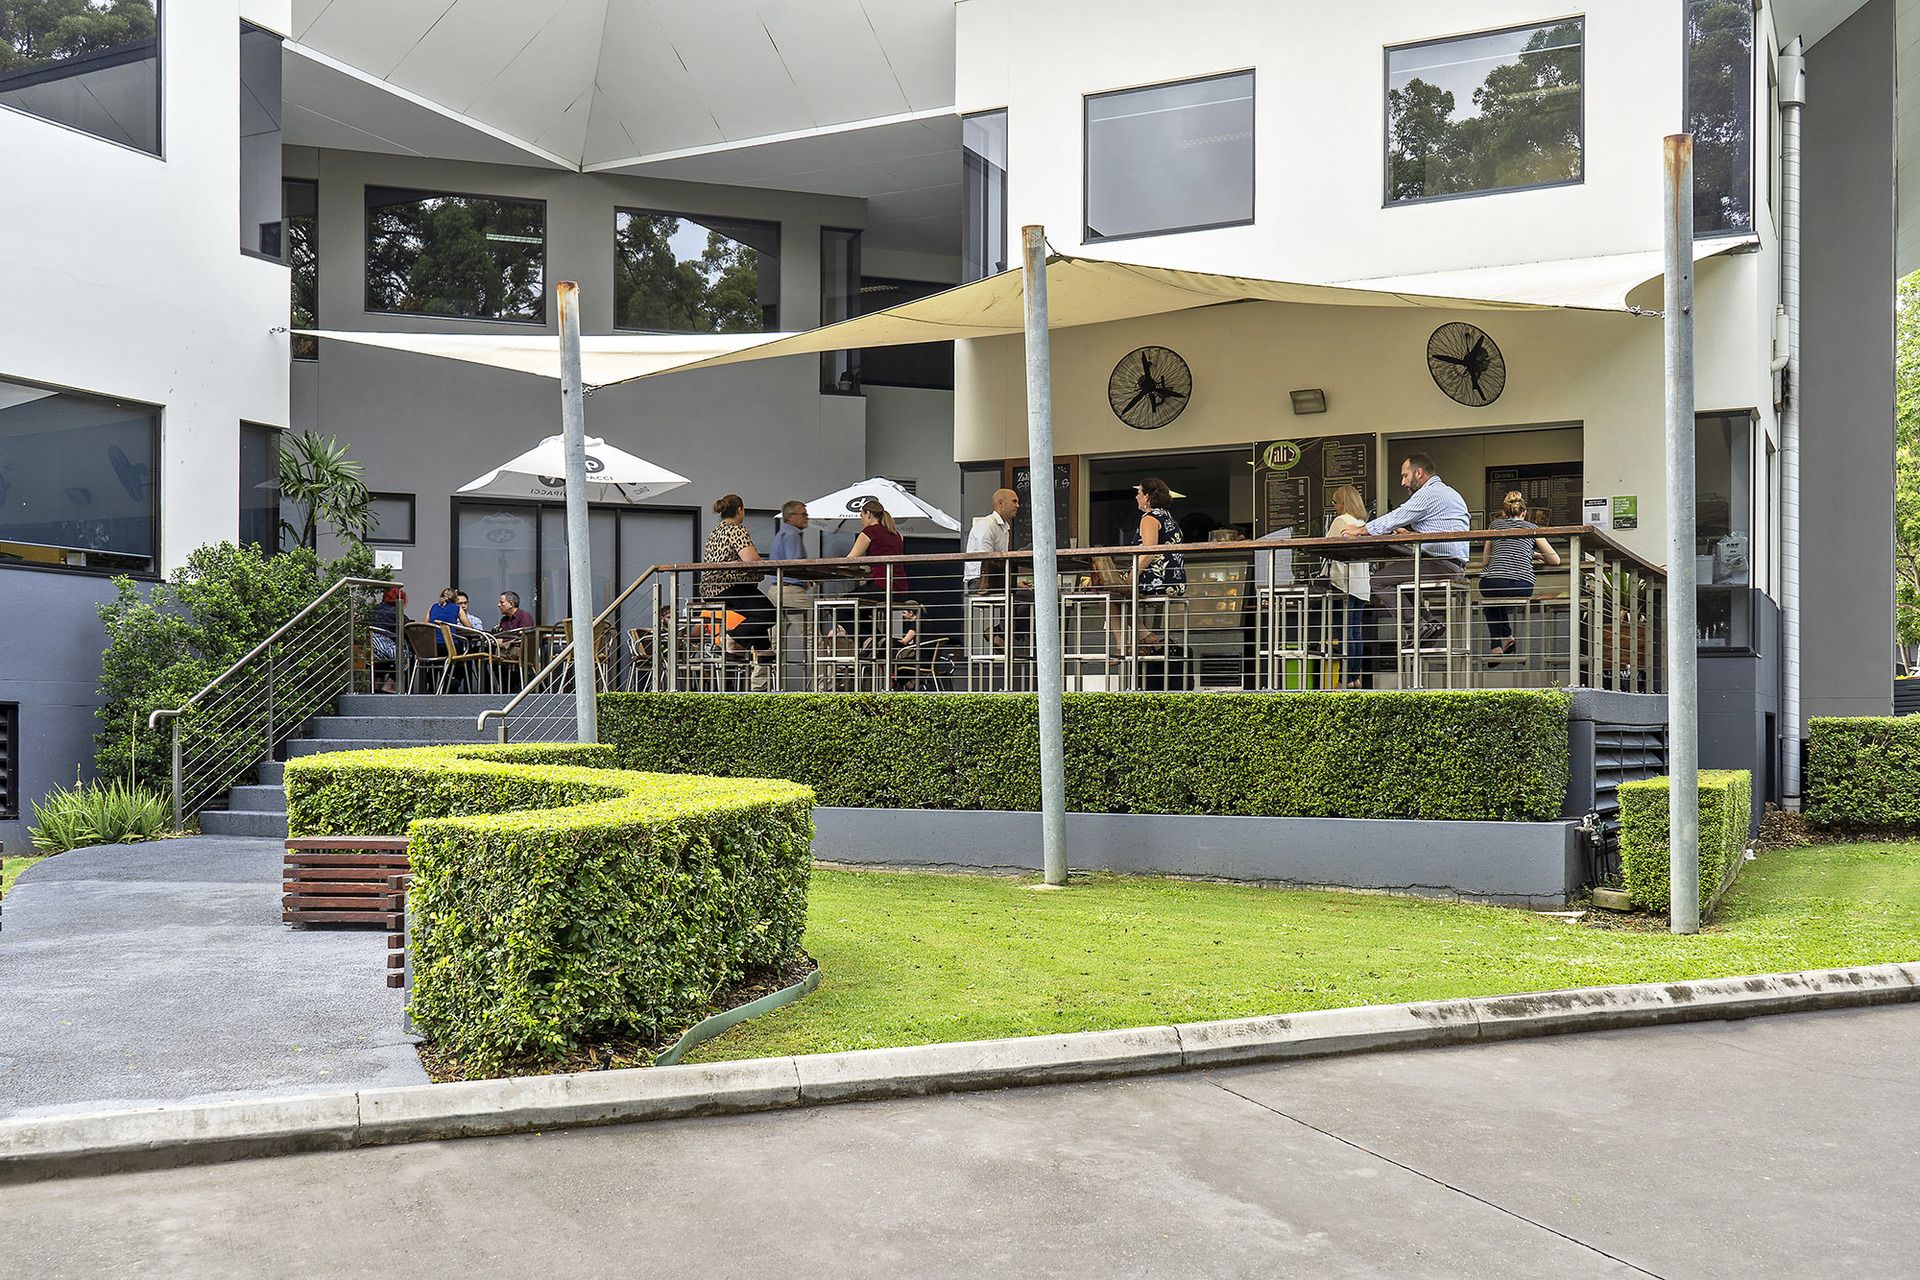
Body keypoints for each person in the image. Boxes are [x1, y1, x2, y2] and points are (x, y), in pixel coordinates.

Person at [1341, 453, 1469, 648]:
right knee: (1401, 580)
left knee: (1379, 581)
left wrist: (1359, 530)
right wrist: (1411, 533)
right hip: (1453, 563)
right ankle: (1429, 623)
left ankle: (1416, 627)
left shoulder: (1429, 493)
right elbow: (1438, 528)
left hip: (1440, 564)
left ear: (1419, 473)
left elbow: (1395, 517)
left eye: (1405, 476)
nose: (1402, 482)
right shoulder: (1449, 492)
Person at [1480, 490, 1562, 659]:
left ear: (1504, 513)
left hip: (1493, 583)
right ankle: (1506, 639)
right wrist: (1534, 554)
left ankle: (1497, 644)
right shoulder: (1531, 528)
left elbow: (1485, 561)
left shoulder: (1495, 525)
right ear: (1524, 513)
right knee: (1497, 597)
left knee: (1492, 597)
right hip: (1522, 584)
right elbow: (1555, 560)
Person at [700, 493, 776, 661]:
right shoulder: (736, 529)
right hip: (729, 585)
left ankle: (763, 650)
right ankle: (730, 639)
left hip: (710, 588)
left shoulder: (715, 532)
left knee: (755, 609)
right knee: (769, 613)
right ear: (740, 510)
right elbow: (751, 560)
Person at [1130, 477, 1185, 655]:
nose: (1136, 497)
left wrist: (1131, 577)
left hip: (1156, 579)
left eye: (1138, 493)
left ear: (1147, 497)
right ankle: (1141, 640)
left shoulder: (1149, 518)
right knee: (1116, 594)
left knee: (1111, 594)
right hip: (1174, 579)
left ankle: (1138, 639)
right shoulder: (1168, 518)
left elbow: (1149, 551)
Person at [1325, 485, 1373, 688]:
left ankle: (1343, 679)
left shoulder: (1341, 521)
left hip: (1343, 583)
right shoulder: (1362, 524)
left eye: (1335, 502)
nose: (1334, 506)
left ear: (1343, 503)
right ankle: (1354, 677)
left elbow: (1325, 545)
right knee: (1355, 632)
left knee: (1344, 633)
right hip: (1361, 585)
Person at [848, 497, 908, 597]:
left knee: (842, 602)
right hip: (900, 589)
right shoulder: (897, 534)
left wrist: (832, 568)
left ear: (868, 514)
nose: (861, 520)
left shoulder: (869, 531)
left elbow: (850, 559)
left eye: (861, 516)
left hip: (881, 586)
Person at [964, 488, 1019, 593]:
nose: (1017, 506)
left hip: (993, 578)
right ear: (1001, 503)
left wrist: (1014, 583)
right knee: (1025, 594)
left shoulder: (1004, 528)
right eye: (1014, 501)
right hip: (979, 581)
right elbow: (985, 561)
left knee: (1025, 592)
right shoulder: (987, 525)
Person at [370, 587, 409, 693]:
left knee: (382, 660)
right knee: (404, 654)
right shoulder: (396, 612)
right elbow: (407, 627)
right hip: (383, 646)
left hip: (370, 648)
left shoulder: (374, 610)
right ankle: (389, 685)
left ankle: (377, 685)